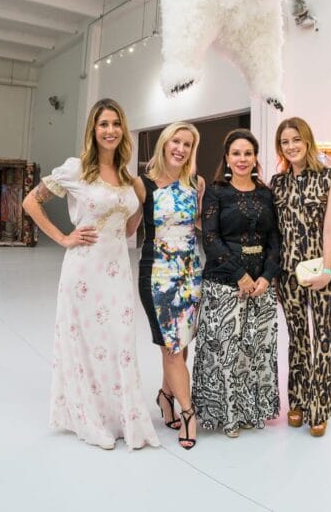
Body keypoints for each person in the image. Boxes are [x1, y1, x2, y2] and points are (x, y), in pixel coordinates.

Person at [22, 98, 159, 451]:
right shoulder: (76, 170)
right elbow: (30, 202)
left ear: (123, 130)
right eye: (103, 124)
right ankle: (91, 419)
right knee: (88, 344)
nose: (110, 130)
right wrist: (63, 238)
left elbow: (128, 229)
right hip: (83, 271)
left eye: (116, 123)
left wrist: (141, 202)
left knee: (119, 342)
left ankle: (121, 418)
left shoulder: (128, 179)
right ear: (93, 131)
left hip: (117, 272)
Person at [191, 128, 280, 438]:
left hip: (262, 287)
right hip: (224, 284)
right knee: (226, 351)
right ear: (227, 158)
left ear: (256, 157)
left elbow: (275, 240)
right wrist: (240, 276)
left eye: (248, 153)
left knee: (256, 351)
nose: (242, 159)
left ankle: (252, 412)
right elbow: (211, 238)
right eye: (236, 153)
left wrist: (266, 277)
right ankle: (226, 415)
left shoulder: (267, 193)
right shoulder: (217, 192)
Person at [270, 117, 331, 437]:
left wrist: (327, 270)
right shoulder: (277, 183)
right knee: (298, 340)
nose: (291, 146)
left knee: (322, 341)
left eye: (296, 139)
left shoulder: (330, 178)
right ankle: (297, 400)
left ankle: (320, 407)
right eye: (285, 142)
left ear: (307, 140)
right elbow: (275, 231)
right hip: (288, 274)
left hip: (323, 270)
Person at [134, 121, 204, 450]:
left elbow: (203, 225)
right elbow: (129, 224)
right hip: (158, 274)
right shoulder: (142, 183)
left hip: (191, 274)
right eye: (176, 141)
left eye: (187, 144)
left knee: (180, 345)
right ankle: (189, 413)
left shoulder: (196, 183)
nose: (181, 148)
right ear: (164, 143)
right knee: (173, 349)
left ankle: (165, 395)